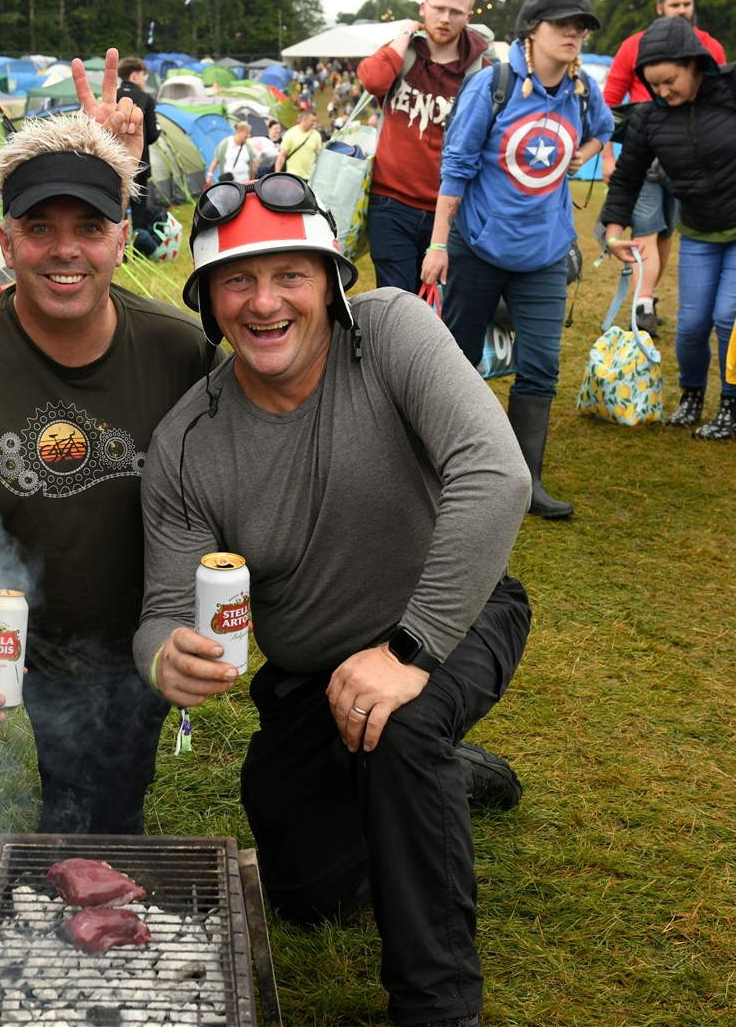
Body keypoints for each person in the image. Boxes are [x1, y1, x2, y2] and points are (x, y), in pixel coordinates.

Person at [135, 173, 532, 1027]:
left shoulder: (391, 331)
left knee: (401, 729)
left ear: (330, 284)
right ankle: (441, 787)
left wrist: (409, 652)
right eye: (238, 280)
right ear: (208, 301)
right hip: (317, 675)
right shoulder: (186, 443)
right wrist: (165, 656)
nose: (265, 302)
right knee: (307, 889)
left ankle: (437, 1004)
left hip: (452, 618)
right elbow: (163, 607)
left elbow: (497, 474)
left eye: (291, 275)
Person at [0, 111, 219, 838]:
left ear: (122, 239)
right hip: (17, 632)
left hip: (137, 633)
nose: (65, 252)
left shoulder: (180, 351)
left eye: (90, 228)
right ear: (6, 242)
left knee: (107, 809)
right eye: (39, 228)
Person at [424, 0, 613, 519]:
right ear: (533, 31)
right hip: (479, 246)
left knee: (542, 365)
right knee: (457, 360)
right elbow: (456, 167)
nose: (575, 34)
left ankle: (526, 482)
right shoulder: (493, 85)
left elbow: (605, 128)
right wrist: (439, 243)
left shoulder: (582, 90)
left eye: (581, 26)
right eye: (563, 25)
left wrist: (584, 153)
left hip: (545, 253)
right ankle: (446, 468)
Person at [600, 16, 736, 441]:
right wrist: (614, 230)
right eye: (654, 84)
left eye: (670, 80)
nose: (662, 92)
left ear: (695, 65)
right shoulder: (649, 117)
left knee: (729, 316)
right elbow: (627, 176)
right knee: (692, 324)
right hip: (697, 229)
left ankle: (732, 406)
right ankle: (691, 397)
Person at [599, 0, 727, 336]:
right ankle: (641, 307)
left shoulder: (709, 48)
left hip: (690, 158)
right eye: (675, 5)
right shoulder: (633, 46)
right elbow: (608, 105)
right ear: (660, 7)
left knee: (668, 233)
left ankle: (648, 298)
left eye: (687, 4)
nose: (682, 11)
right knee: (647, 232)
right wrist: (607, 157)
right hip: (645, 157)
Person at [357, 0, 492, 294]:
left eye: (455, 12)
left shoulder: (483, 72)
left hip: (449, 212)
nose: (445, 18)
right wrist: (404, 35)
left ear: (468, 16)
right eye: (438, 8)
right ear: (423, 9)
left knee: (438, 309)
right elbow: (371, 79)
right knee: (397, 303)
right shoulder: (404, 55)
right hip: (391, 203)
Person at [116, 55, 161, 204]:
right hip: (140, 161)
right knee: (139, 207)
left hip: (113, 161)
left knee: (116, 204)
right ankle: (139, 229)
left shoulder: (112, 96)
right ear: (134, 76)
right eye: (143, 75)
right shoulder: (145, 97)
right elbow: (152, 134)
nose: (144, 79)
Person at [207, 119, 256, 187]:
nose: (248, 135)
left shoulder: (248, 147)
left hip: (245, 183)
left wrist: (252, 181)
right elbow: (216, 160)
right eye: (246, 133)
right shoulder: (225, 144)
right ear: (239, 131)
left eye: (249, 133)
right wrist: (210, 175)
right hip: (229, 184)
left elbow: (251, 165)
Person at [275, 108, 322, 178]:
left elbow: (319, 156)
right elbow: (282, 155)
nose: (315, 123)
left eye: (316, 121)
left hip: (309, 177)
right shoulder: (291, 133)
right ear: (304, 120)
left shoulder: (316, 135)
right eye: (312, 121)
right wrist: (276, 174)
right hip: (293, 175)